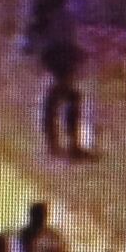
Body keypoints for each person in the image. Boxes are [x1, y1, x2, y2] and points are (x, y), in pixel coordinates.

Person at [39, 24, 89, 159]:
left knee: (69, 101)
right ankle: (54, 146)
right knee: (53, 105)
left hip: (61, 66)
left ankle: (68, 146)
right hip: (56, 69)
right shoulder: (54, 31)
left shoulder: (64, 32)